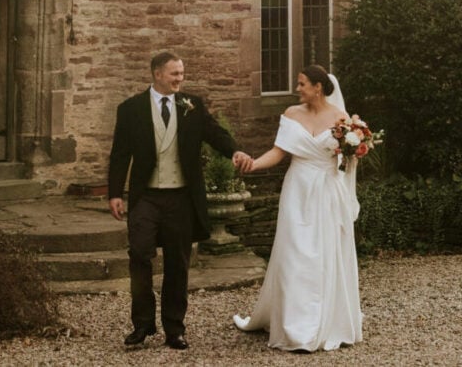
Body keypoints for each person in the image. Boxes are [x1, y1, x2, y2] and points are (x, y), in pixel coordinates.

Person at [107, 52, 251, 350]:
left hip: (181, 197)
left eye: (182, 73)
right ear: (157, 74)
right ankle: (142, 324)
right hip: (146, 196)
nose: (180, 79)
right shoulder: (131, 109)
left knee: (178, 263)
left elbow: (215, 133)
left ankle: (174, 329)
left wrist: (234, 151)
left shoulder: (191, 105)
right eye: (174, 73)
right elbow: (120, 154)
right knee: (139, 254)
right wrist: (115, 193)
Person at [233, 65, 363, 352]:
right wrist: (253, 164)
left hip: (327, 192)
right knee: (294, 253)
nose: (297, 88)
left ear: (318, 87)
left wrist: (355, 150)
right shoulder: (291, 114)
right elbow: (278, 152)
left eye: (302, 84)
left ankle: (325, 322)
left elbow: (346, 161)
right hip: (297, 189)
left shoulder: (341, 118)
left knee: (324, 254)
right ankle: (295, 328)